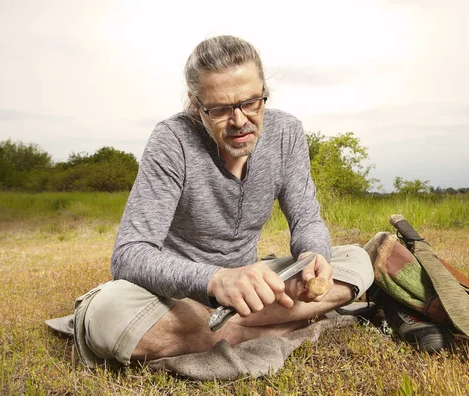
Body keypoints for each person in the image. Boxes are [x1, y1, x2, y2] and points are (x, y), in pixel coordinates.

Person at [73, 35, 374, 368]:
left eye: (251, 102)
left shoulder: (287, 132)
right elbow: (129, 255)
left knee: (358, 260)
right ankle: (270, 326)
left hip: (252, 291)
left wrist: (313, 256)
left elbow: (306, 219)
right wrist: (215, 281)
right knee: (106, 314)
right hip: (177, 297)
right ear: (195, 104)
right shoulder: (171, 140)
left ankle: (221, 331)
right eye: (220, 109)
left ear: (264, 92)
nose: (240, 120)